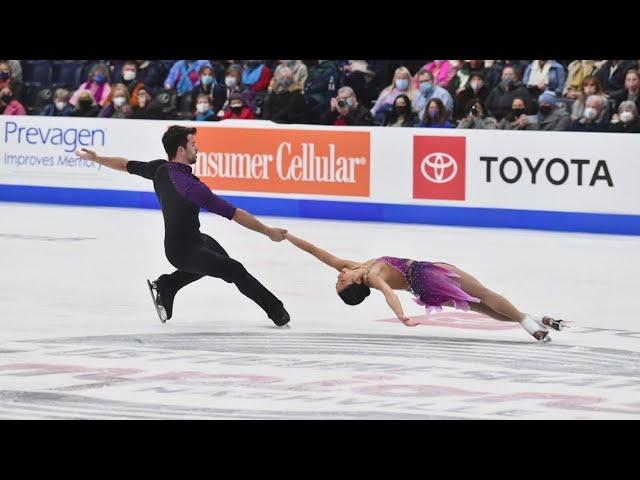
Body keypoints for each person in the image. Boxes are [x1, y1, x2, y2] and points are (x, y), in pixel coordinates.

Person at [74, 126, 291, 326]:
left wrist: (97, 159)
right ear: (181, 150)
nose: (198, 149)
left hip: (194, 242)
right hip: (184, 252)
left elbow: (125, 165)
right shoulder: (191, 187)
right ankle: (276, 311)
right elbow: (234, 214)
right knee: (234, 270)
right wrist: (268, 231)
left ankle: (167, 285)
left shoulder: (159, 169)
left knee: (217, 259)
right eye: (193, 145)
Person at [283, 232, 564, 343]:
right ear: (355, 284)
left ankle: (536, 319)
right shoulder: (371, 275)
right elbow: (389, 292)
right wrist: (400, 316)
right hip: (429, 275)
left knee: (482, 307)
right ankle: (532, 326)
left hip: (423, 290)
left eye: (337, 280)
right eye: (340, 282)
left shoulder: (355, 267)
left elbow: (316, 251)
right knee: (486, 294)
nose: (338, 276)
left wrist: (287, 237)